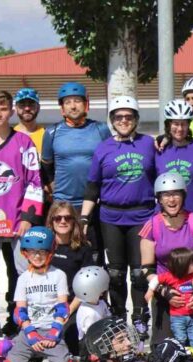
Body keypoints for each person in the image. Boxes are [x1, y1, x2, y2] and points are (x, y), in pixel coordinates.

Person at [81, 95, 156, 340]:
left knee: (138, 273)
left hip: (142, 215)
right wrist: (83, 218)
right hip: (110, 216)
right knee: (114, 272)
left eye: (128, 116)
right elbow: (93, 187)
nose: (124, 120)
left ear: (136, 119)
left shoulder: (149, 144)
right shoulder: (103, 148)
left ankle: (140, 317)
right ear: (112, 120)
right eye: (119, 117)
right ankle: (118, 317)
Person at [0, 90, 43, 336]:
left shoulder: (24, 143)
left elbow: (34, 181)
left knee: (23, 271)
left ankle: (25, 320)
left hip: (16, 221)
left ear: (11, 112)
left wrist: (27, 217)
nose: (0, 113)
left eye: (4, 109)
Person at [41, 82, 112, 266]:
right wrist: (52, 186)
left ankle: (98, 295)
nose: (73, 106)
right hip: (63, 204)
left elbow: (111, 161)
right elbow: (46, 167)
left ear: (86, 104)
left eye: (78, 101)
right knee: (61, 256)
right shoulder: (52, 132)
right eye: (68, 102)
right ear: (62, 108)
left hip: (93, 204)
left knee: (94, 255)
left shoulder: (101, 129)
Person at [139, 172, 193, 344]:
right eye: (166, 195)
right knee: (163, 349)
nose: (171, 200)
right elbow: (147, 268)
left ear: (183, 196)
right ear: (159, 199)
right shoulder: (152, 226)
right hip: (166, 290)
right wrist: (163, 291)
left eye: (176, 194)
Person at [3, 227, 73, 362]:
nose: (37, 256)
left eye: (42, 251)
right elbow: (19, 311)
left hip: (51, 330)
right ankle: (21, 349)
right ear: (25, 253)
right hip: (30, 330)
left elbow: (63, 308)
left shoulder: (58, 275)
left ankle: (40, 354)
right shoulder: (23, 279)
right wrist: (30, 333)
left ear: (50, 252)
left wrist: (54, 333)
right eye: (32, 251)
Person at [47, 201, 94, 355]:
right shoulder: (44, 246)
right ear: (51, 221)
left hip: (74, 303)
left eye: (68, 218)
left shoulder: (83, 248)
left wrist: (69, 310)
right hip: (46, 302)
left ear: (74, 221)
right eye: (58, 218)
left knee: (72, 344)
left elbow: (87, 286)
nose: (62, 221)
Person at [155, 99, 193, 213]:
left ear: (189, 124)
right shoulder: (159, 149)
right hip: (166, 216)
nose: (180, 129)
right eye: (176, 124)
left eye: (184, 124)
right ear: (168, 124)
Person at [149, 248, 193, 353]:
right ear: (182, 265)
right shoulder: (170, 276)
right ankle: (181, 357)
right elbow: (155, 279)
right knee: (180, 339)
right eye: (192, 262)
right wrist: (150, 290)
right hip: (178, 317)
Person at [72, 265, 111, 342]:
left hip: (102, 336)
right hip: (90, 344)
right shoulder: (89, 313)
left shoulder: (101, 303)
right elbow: (92, 336)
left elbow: (108, 317)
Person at [13, 88, 45, 156]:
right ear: (16, 108)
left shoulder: (47, 136)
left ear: (38, 108)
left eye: (31, 104)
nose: (27, 108)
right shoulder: (9, 137)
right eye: (22, 104)